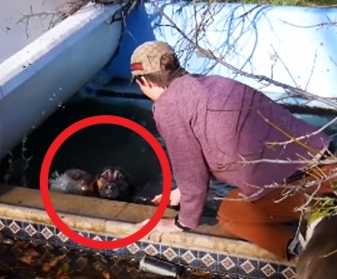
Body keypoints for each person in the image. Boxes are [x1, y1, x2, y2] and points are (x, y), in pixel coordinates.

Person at [130, 40, 334, 262]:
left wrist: (182, 222)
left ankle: (301, 252)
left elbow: (189, 168)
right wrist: (183, 192)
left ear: (143, 80)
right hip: (329, 163)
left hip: (306, 187)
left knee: (229, 213)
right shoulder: (215, 82)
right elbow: (215, 145)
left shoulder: (168, 107)